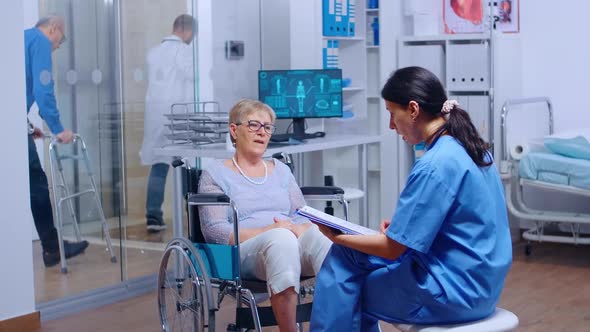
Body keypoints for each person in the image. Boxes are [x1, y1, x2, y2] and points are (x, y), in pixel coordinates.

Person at [309, 66, 512, 331]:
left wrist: (337, 236)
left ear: (414, 109)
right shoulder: (473, 149)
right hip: (482, 283)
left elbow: (394, 249)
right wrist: (401, 230)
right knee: (350, 259)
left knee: (347, 277)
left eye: (392, 114)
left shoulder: (434, 164)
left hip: (452, 293)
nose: (391, 125)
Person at [198, 99, 332, 332]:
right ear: (234, 130)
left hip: (288, 241)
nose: (262, 132)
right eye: (253, 125)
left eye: (267, 127)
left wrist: (300, 228)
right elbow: (216, 231)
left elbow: (299, 213)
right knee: (281, 240)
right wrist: (271, 231)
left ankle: (336, 325)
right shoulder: (215, 173)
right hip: (245, 252)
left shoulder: (281, 170)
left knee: (324, 240)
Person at [25, 15, 89, 268]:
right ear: (53, 29)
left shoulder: (20, 38)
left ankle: (52, 247)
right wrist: (59, 129)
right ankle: (52, 249)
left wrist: (29, 128)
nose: (57, 47)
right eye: (59, 41)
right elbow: (43, 90)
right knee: (37, 184)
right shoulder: (40, 41)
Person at [139, 14, 196, 232]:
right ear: (188, 31)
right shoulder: (184, 51)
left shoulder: (153, 53)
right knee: (186, 164)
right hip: (177, 115)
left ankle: (153, 217)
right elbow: (193, 77)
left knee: (159, 164)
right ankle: (194, 213)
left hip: (156, 115)